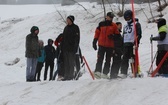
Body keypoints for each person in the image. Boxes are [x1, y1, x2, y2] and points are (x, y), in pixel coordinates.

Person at [92, 12, 120, 79]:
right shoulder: (101, 24)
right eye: (110, 17)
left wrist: (113, 36)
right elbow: (97, 33)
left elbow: (118, 35)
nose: (110, 18)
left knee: (108, 60)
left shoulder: (114, 25)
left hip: (110, 46)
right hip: (101, 45)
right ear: (106, 17)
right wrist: (94, 41)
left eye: (112, 17)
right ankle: (98, 71)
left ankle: (105, 73)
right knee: (99, 59)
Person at [120, 10, 142, 78]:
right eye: (126, 18)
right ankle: (123, 72)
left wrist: (136, 41)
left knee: (132, 58)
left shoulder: (136, 24)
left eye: (128, 18)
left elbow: (139, 34)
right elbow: (124, 35)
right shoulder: (125, 26)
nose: (127, 19)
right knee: (124, 59)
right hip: (126, 44)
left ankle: (135, 71)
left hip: (132, 44)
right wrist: (122, 44)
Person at [61, 15, 80, 80]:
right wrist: (62, 46)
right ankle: (66, 75)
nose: (67, 21)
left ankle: (70, 75)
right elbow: (63, 38)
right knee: (66, 63)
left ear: (71, 20)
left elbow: (77, 38)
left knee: (71, 62)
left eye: (68, 20)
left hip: (72, 48)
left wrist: (75, 47)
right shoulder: (66, 28)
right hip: (65, 48)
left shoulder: (75, 27)